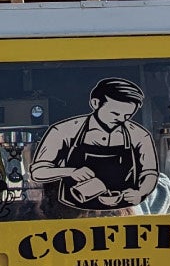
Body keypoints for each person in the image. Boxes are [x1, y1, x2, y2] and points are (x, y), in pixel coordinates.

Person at [27, 76, 159, 215]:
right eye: (115, 113)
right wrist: (70, 171)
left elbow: (150, 173)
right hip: (68, 214)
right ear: (96, 103)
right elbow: (38, 172)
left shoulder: (140, 135)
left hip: (120, 216)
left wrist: (141, 192)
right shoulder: (62, 132)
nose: (121, 120)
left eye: (127, 116)